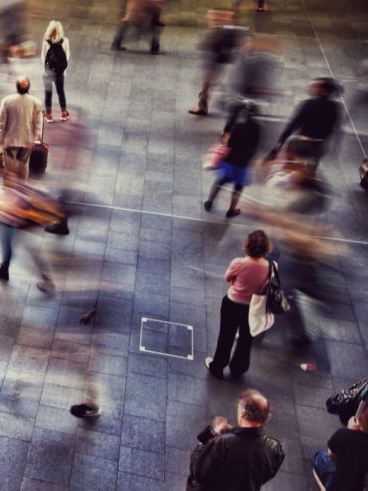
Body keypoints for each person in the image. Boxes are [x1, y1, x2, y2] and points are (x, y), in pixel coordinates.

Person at [187, 390, 285, 490]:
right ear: (265, 417)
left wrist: (204, 442)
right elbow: (265, 475)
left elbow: (198, 471)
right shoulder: (275, 448)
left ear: (243, 413)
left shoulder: (222, 443)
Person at [205, 230, 272, 379]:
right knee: (246, 339)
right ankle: (239, 368)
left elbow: (228, 277)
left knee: (226, 336)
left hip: (233, 304)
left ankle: (218, 366)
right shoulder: (271, 267)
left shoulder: (239, 263)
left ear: (247, 245)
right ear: (266, 248)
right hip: (254, 308)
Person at [204, 102, 262, 218]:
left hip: (230, 160)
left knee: (221, 181)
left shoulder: (239, 126)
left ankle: (210, 202)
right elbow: (256, 146)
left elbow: (230, 143)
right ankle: (231, 210)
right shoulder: (257, 129)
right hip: (244, 162)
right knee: (238, 186)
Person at [269, 77, 341, 165]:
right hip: (318, 147)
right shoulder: (334, 107)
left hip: (302, 144)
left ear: (322, 89)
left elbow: (292, 126)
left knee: (291, 169)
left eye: (315, 86)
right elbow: (334, 129)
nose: (311, 88)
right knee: (309, 171)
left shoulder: (308, 104)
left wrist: (278, 146)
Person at [188, 10, 243, 116]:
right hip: (218, 63)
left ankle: (229, 119)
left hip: (221, 64)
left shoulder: (228, 32)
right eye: (212, 18)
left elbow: (228, 49)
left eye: (217, 18)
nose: (213, 20)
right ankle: (203, 106)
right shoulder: (222, 30)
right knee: (208, 87)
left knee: (220, 89)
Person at [0, 77, 43, 181]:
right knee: (24, 164)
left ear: (16, 87)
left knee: (9, 167)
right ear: (28, 88)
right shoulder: (36, 102)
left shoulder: (7, 101)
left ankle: (9, 188)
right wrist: (37, 136)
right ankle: (23, 185)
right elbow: (38, 122)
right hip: (27, 140)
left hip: (10, 139)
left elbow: (1, 122)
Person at [41, 21, 70, 123]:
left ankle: (48, 115)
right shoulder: (65, 41)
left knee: (48, 93)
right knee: (60, 92)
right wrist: (63, 70)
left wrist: (45, 70)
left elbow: (43, 57)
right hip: (59, 72)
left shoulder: (46, 42)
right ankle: (63, 113)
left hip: (48, 71)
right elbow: (67, 56)